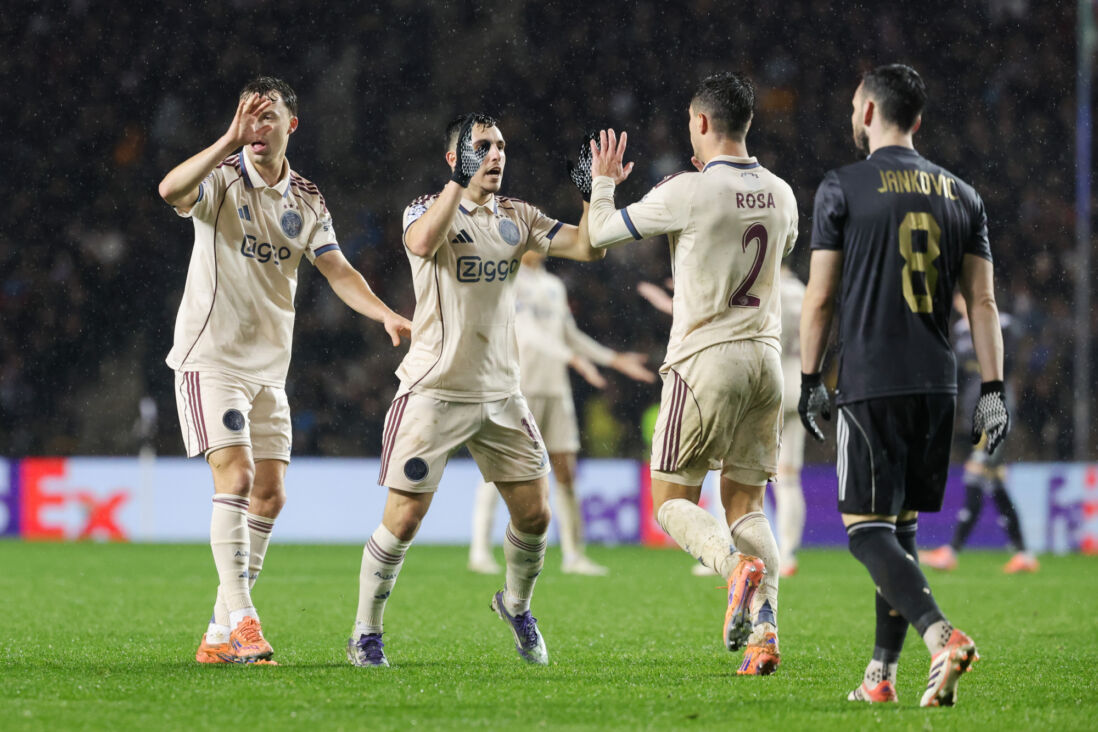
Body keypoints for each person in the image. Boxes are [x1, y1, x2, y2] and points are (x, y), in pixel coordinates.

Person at [157, 77, 411, 665]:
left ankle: (219, 634)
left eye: (267, 116)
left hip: (270, 371)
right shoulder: (219, 179)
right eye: (248, 116)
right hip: (210, 360)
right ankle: (246, 620)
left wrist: (386, 314)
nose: (256, 127)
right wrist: (226, 138)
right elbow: (169, 188)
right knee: (238, 479)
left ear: (290, 125)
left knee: (269, 496)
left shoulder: (307, 199)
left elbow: (337, 269)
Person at [347, 113, 608, 668]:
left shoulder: (519, 215)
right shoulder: (424, 208)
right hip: (434, 389)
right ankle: (365, 633)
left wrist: (594, 195)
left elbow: (589, 248)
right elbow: (419, 243)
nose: (495, 155)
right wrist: (456, 186)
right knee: (404, 519)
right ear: (454, 159)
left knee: (536, 513)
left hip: (500, 393)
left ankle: (516, 605)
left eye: (500, 147)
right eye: (481, 147)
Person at [798, 64, 1009, 707]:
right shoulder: (963, 194)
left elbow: (820, 298)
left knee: (865, 530)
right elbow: (983, 302)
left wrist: (810, 378)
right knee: (903, 527)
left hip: (871, 377)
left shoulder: (843, 186)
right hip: (938, 383)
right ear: (917, 120)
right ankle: (880, 678)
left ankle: (941, 636)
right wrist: (994, 389)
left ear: (867, 113)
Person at [587, 71, 799, 676]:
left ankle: (733, 567)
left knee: (670, 499)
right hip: (767, 361)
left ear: (702, 124)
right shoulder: (783, 193)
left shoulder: (688, 189)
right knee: (747, 502)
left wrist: (603, 185)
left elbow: (601, 233)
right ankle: (765, 633)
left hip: (707, 360)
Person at [467, 250, 656, 576]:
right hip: (518, 388)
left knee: (566, 471)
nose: (539, 243)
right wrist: (572, 359)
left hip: (556, 390)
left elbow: (569, 335)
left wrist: (613, 359)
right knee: (501, 470)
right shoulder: (506, 279)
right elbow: (528, 333)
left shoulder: (554, 284)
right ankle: (480, 551)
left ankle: (573, 555)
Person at [920, 294, 1037, 573]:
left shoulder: (1003, 322)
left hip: (995, 412)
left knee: (975, 473)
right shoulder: (960, 330)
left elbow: (1012, 359)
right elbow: (960, 373)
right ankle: (1023, 554)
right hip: (975, 414)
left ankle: (951, 552)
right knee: (995, 484)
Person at [775, 266, 807, 577]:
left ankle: (743, 551)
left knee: (747, 472)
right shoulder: (804, 289)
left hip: (773, 385)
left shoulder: (775, 290)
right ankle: (788, 552)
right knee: (789, 477)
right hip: (800, 385)